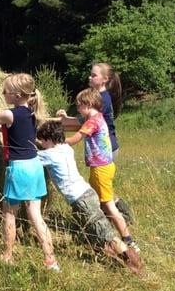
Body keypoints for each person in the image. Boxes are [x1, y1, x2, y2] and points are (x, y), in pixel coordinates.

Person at [0, 73, 60, 271]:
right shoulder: (31, 113)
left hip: (19, 169)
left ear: (15, 94)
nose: (3, 93)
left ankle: (7, 255)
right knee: (36, 215)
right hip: (34, 166)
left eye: (5, 91)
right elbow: (11, 130)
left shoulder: (9, 114)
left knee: (9, 214)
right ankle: (51, 260)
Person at [36, 120, 143, 274]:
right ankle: (111, 255)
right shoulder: (66, 148)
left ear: (49, 140)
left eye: (42, 141)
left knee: (107, 235)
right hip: (87, 192)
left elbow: (29, 159)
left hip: (81, 200)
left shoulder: (49, 155)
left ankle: (135, 265)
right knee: (94, 233)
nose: (41, 144)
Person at [62, 88, 140, 252]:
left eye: (79, 105)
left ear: (88, 104)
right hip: (106, 166)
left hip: (100, 169)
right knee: (101, 201)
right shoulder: (99, 117)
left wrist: (57, 142)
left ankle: (129, 241)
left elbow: (77, 138)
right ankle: (97, 234)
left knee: (108, 205)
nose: (77, 109)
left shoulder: (91, 122)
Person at [57, 62, 134, 223]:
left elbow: (81, 126)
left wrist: (56, 129)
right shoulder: (97, 98)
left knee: (101, 189)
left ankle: (117, 217)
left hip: (105, 149)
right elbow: (80, 121)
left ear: (105, 79)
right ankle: (116, 214)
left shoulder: (101, 101)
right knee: (100, 188)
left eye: (94, 75)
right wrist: (63, 121)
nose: (89, 77)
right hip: (105, 148)